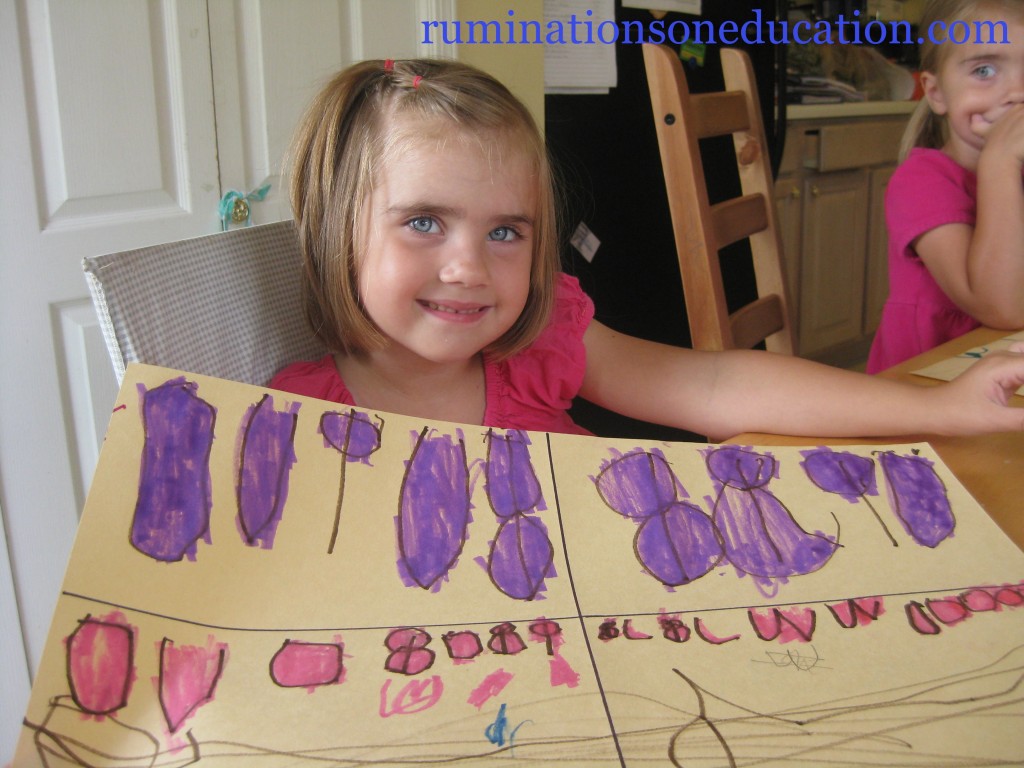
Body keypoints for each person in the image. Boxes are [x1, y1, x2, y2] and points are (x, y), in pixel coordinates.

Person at [271, 57, 1024, 441]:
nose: (469, 268)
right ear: (337, 228)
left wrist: (942, 407)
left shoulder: (538, 342)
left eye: (505, 232)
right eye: (423, 222)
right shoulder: (291, 419)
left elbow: (716, 386)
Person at [866, 0, 1024, 373]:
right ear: (936, 92)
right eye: (984, 70)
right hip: (921, 393)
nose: (1017, 94)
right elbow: (1002, 307)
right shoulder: (921, 182)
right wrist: (999, 161)